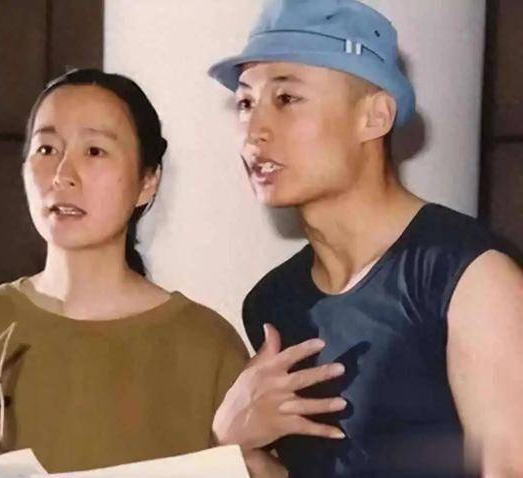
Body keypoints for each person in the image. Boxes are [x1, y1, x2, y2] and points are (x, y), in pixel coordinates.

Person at [208, 1, 523, 477]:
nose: (254, 132)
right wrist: (231, 446)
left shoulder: (468, 279)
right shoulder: (272, 302)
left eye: (287, 98)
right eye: (246, 103)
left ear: (375, 117)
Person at [0, 69, 251, 474]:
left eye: (94, 151)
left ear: (148, 181)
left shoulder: (207, 346)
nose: (62, 175)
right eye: (46, 149)